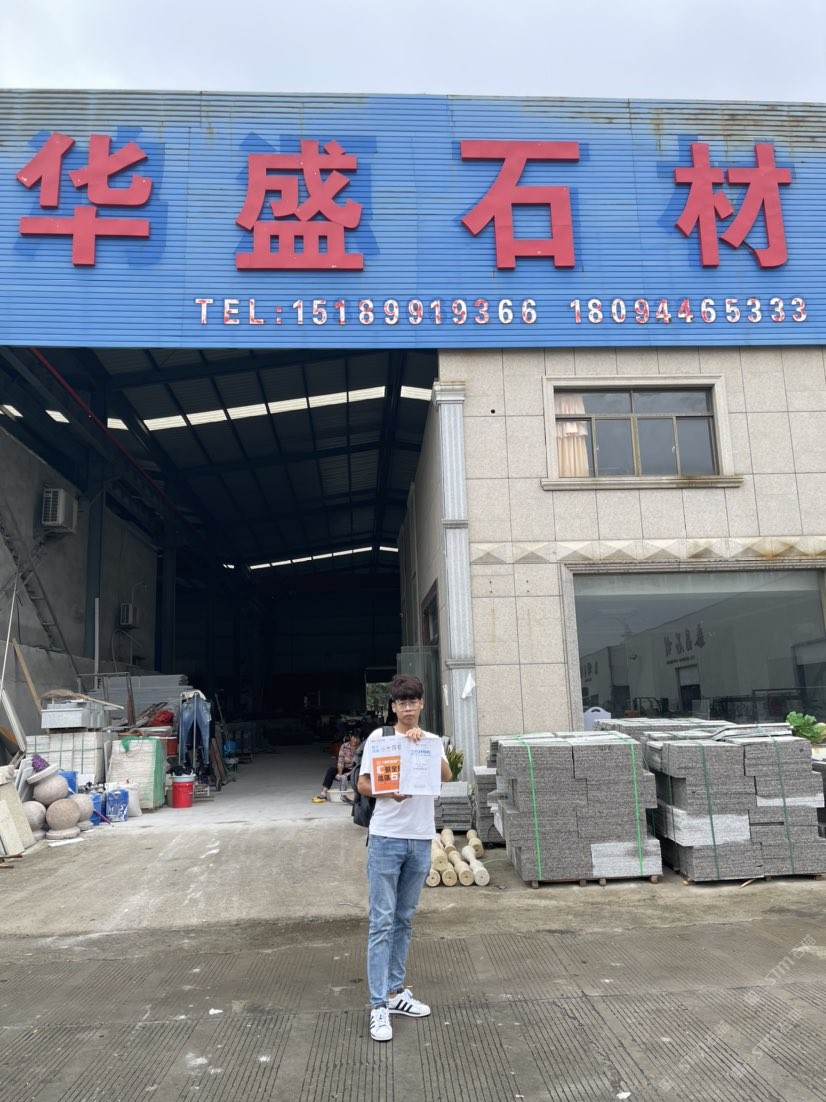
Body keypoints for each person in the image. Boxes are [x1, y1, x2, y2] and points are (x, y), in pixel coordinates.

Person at [357, 674, 451, 1043]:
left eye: (413, 701)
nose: (408, 707)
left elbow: (446, 775)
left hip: (420, 838)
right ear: (393, 707)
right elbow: (363, 784)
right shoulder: (379, 740)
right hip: (386, 838)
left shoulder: (430, 741)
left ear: (422, 704)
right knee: (382, 921)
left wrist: (424, 746)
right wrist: (388, 792)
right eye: (401, 702)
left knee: (404, 918)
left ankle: (396, 993)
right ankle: (378, 1005)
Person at [312, 729, 361, 803]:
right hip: (345, 770)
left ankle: (359, 796)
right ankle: (323, 794)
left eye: (358, 738)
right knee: (331, 770)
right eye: (354, 737)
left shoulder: (361, 748)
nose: (356, 740)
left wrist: (349, 774)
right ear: (351, 737)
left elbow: (359, 764)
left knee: (360, 773)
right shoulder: (344, 746)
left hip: (355, 771)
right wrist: (340, 774)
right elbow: (340, 761)